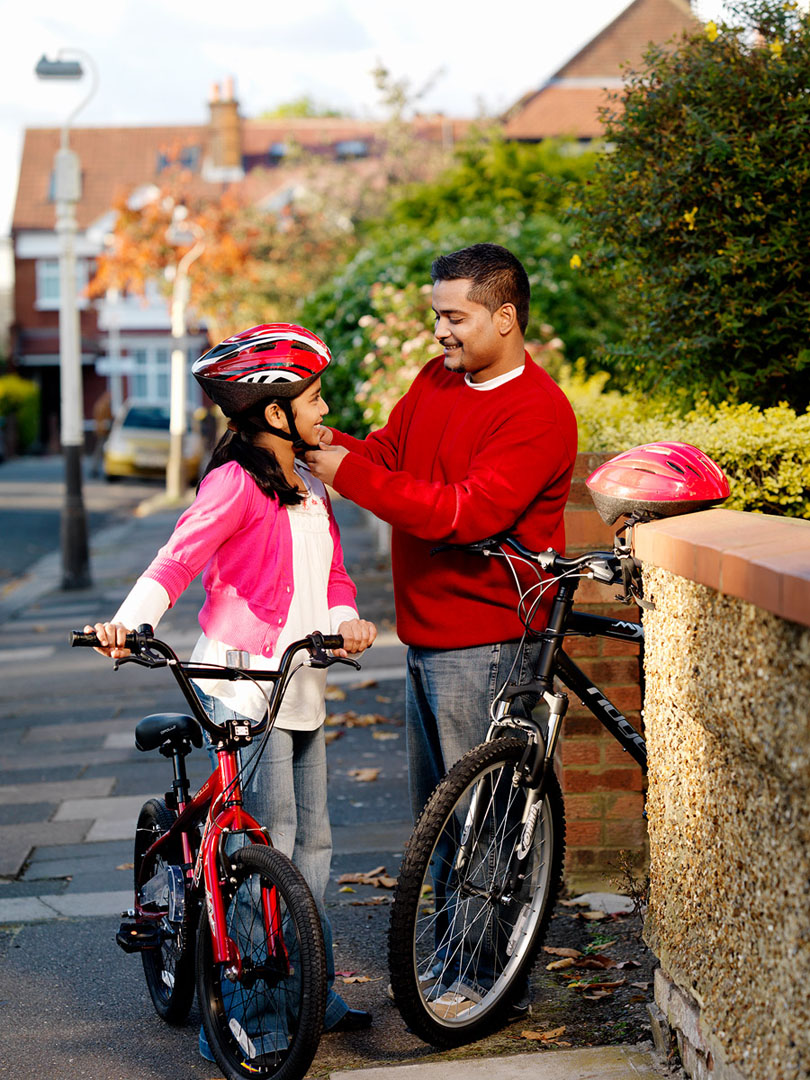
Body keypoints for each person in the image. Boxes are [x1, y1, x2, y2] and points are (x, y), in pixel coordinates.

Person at [84, 324, 377, 1055]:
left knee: (313, 846)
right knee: (263, 853)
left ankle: (309, 985)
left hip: (300, 681)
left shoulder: (310, 485)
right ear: (273, 412)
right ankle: (251, 1008)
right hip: (243, 686)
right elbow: (176, 559)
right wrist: (128, 625)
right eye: (312, 398)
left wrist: (346, 619)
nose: (322, 409)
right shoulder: (234, 483)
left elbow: (335, 577)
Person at [306, 244, 577, 1012]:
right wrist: (320, 446)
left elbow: (463, 515)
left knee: (484, 822)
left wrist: (347, 474)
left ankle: (487, 984)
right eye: (436, 317)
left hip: (491, 639)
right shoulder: (435, 382)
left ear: (505, 317)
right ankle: (458, 963)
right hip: (426, 636)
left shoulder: (538, 414)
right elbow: (392, 455)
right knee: (441, 823)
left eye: (455, 318)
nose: (440, 334)